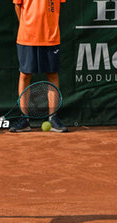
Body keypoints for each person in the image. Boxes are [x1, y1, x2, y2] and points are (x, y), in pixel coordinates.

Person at [10, 0, 68, 133]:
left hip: (50, 36)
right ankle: (24, 119)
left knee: (52, 74)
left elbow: (57, 8)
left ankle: (53, 118)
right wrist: (26, 26)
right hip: (27, 36)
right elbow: (18, 6)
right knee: (24, 75)